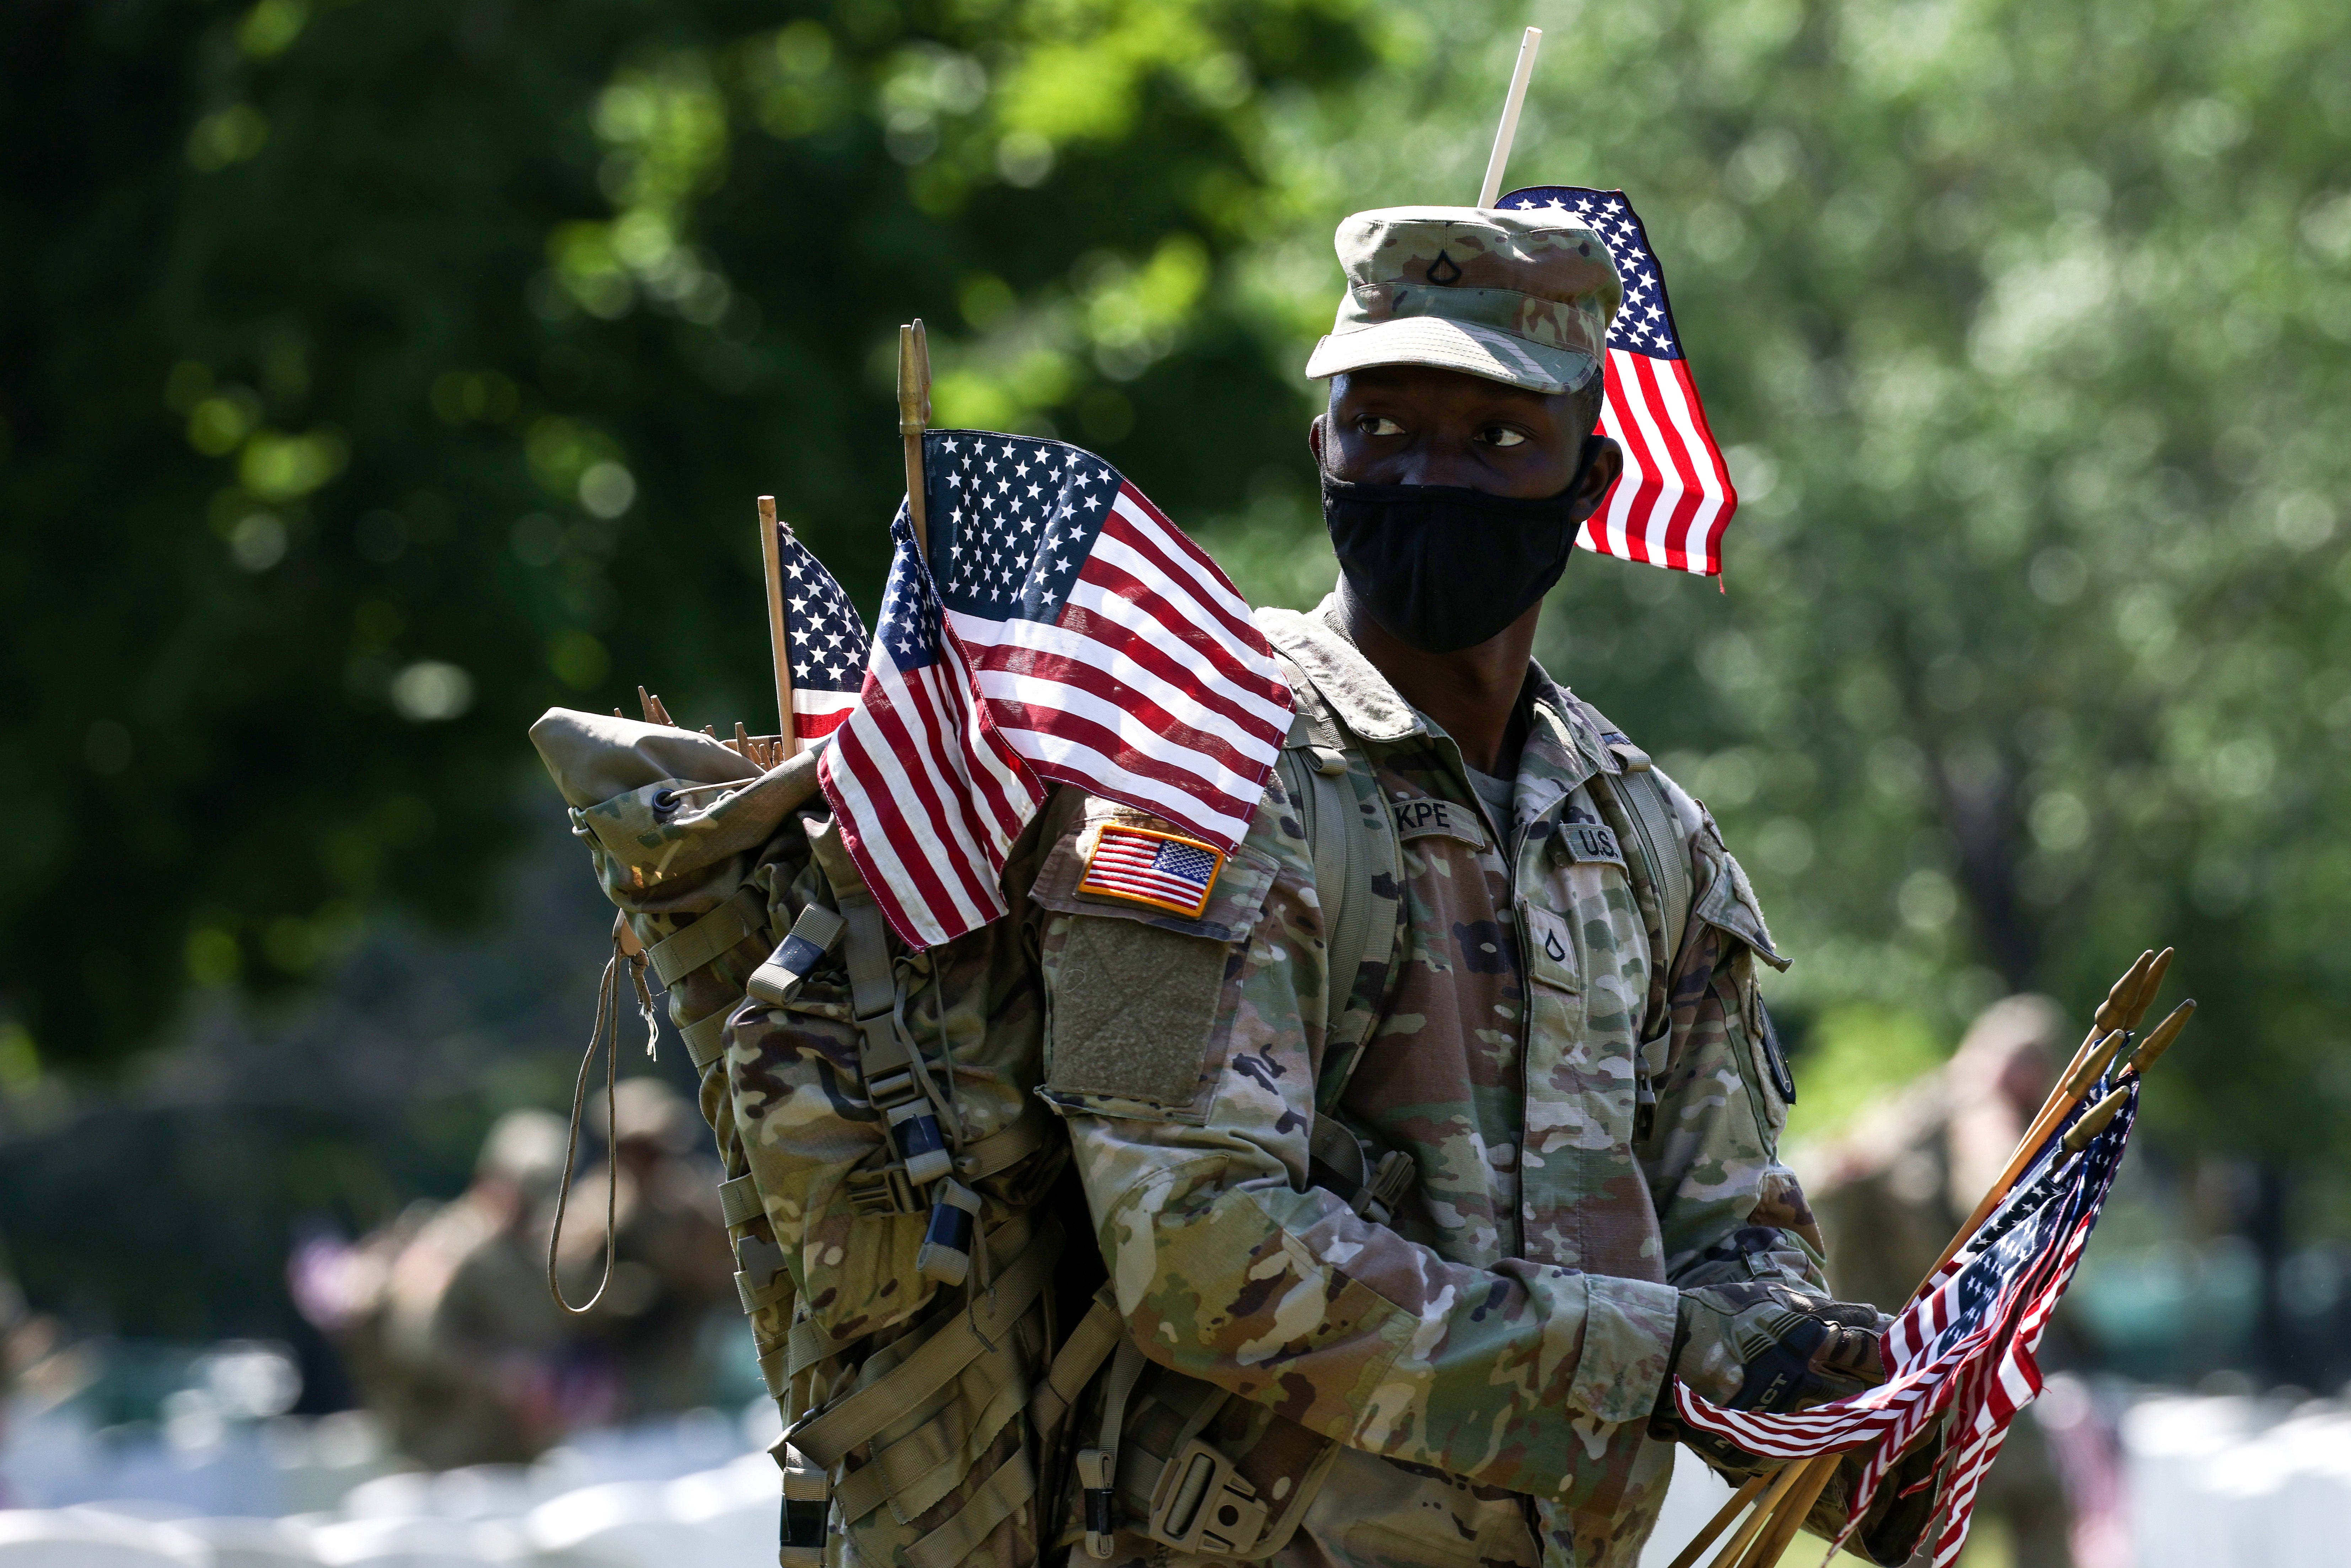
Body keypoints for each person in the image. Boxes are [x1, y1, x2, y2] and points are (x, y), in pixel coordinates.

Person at [1024, 205, 1905, 1568]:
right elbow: (1194, 1250)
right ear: (1319, 447)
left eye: (1497, 438)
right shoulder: (1204, 776)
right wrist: (1649, 1352)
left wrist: (1803, 1380)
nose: (1429, 473)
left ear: (1587, 472)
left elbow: (1727, 1221)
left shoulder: (1645, 830)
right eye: (1379, 428)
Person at [1806, 996, 2077, 1568]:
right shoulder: (1949, 1115)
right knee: (1930, 1525)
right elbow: (1986, 1199)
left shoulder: (1939, 1111)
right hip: (1926, 1367)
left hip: (1967, 1360)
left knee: (2031, 1505)